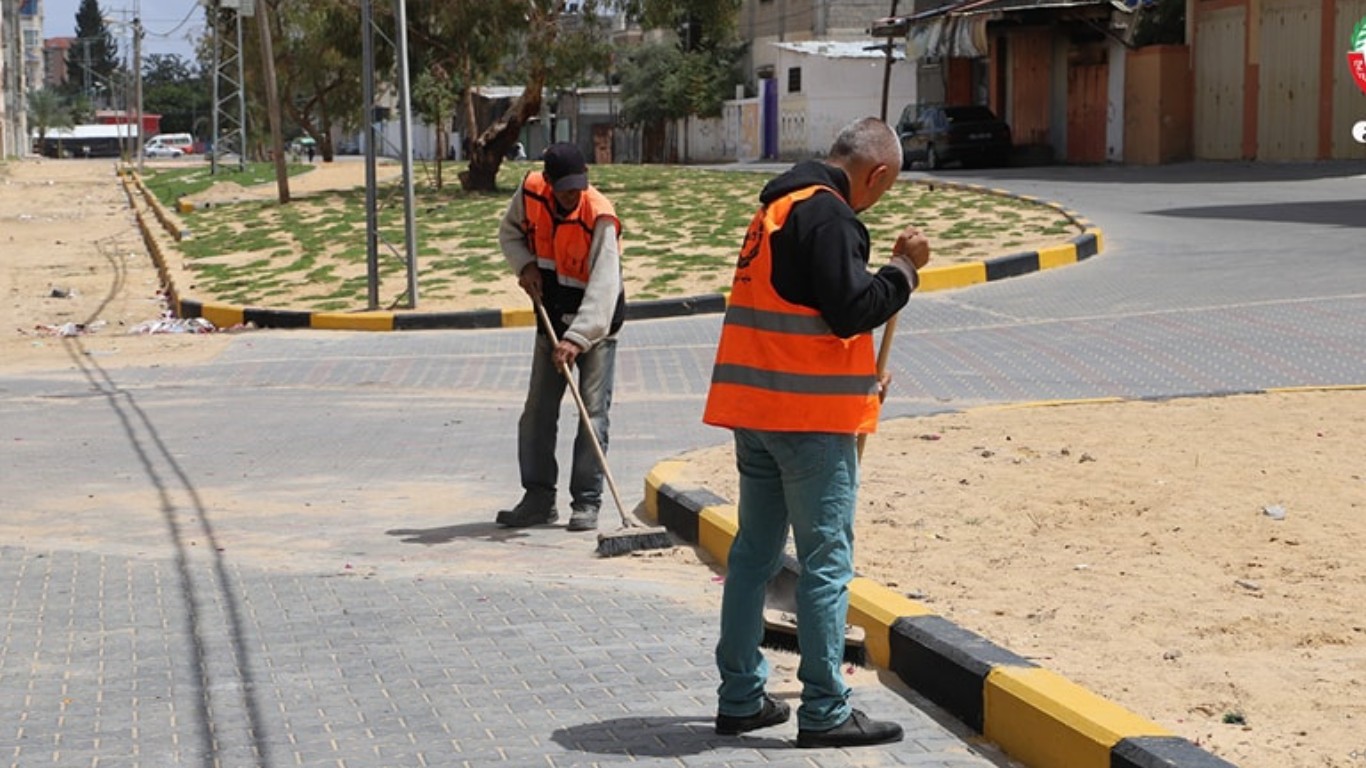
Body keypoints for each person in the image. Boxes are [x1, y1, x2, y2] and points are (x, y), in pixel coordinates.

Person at [702, 117, 931, 748]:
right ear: (876, 173)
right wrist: (904, 271)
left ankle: (741, 697)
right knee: (827, 563)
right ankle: (826, 709)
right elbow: (851, 308)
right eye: (883, 189)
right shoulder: (829, 216)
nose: (877, 200)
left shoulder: (776, 210)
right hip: (807, 424)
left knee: (753, 555)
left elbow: (803, 315)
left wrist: (859, 375)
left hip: (759, 414)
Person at [496, 142, 626, 533]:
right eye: (566, 188)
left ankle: (586, 501)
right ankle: (537, 498)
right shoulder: (532, 191)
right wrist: (526, 266)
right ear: (549, 182)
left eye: (579, 186)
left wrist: (578, 337)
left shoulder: (600, 214)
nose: (574, 194)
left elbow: (605, 286)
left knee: (591, 413)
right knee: (537, 411)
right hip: (550, 316)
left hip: (595, 327)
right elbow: (509, 234)